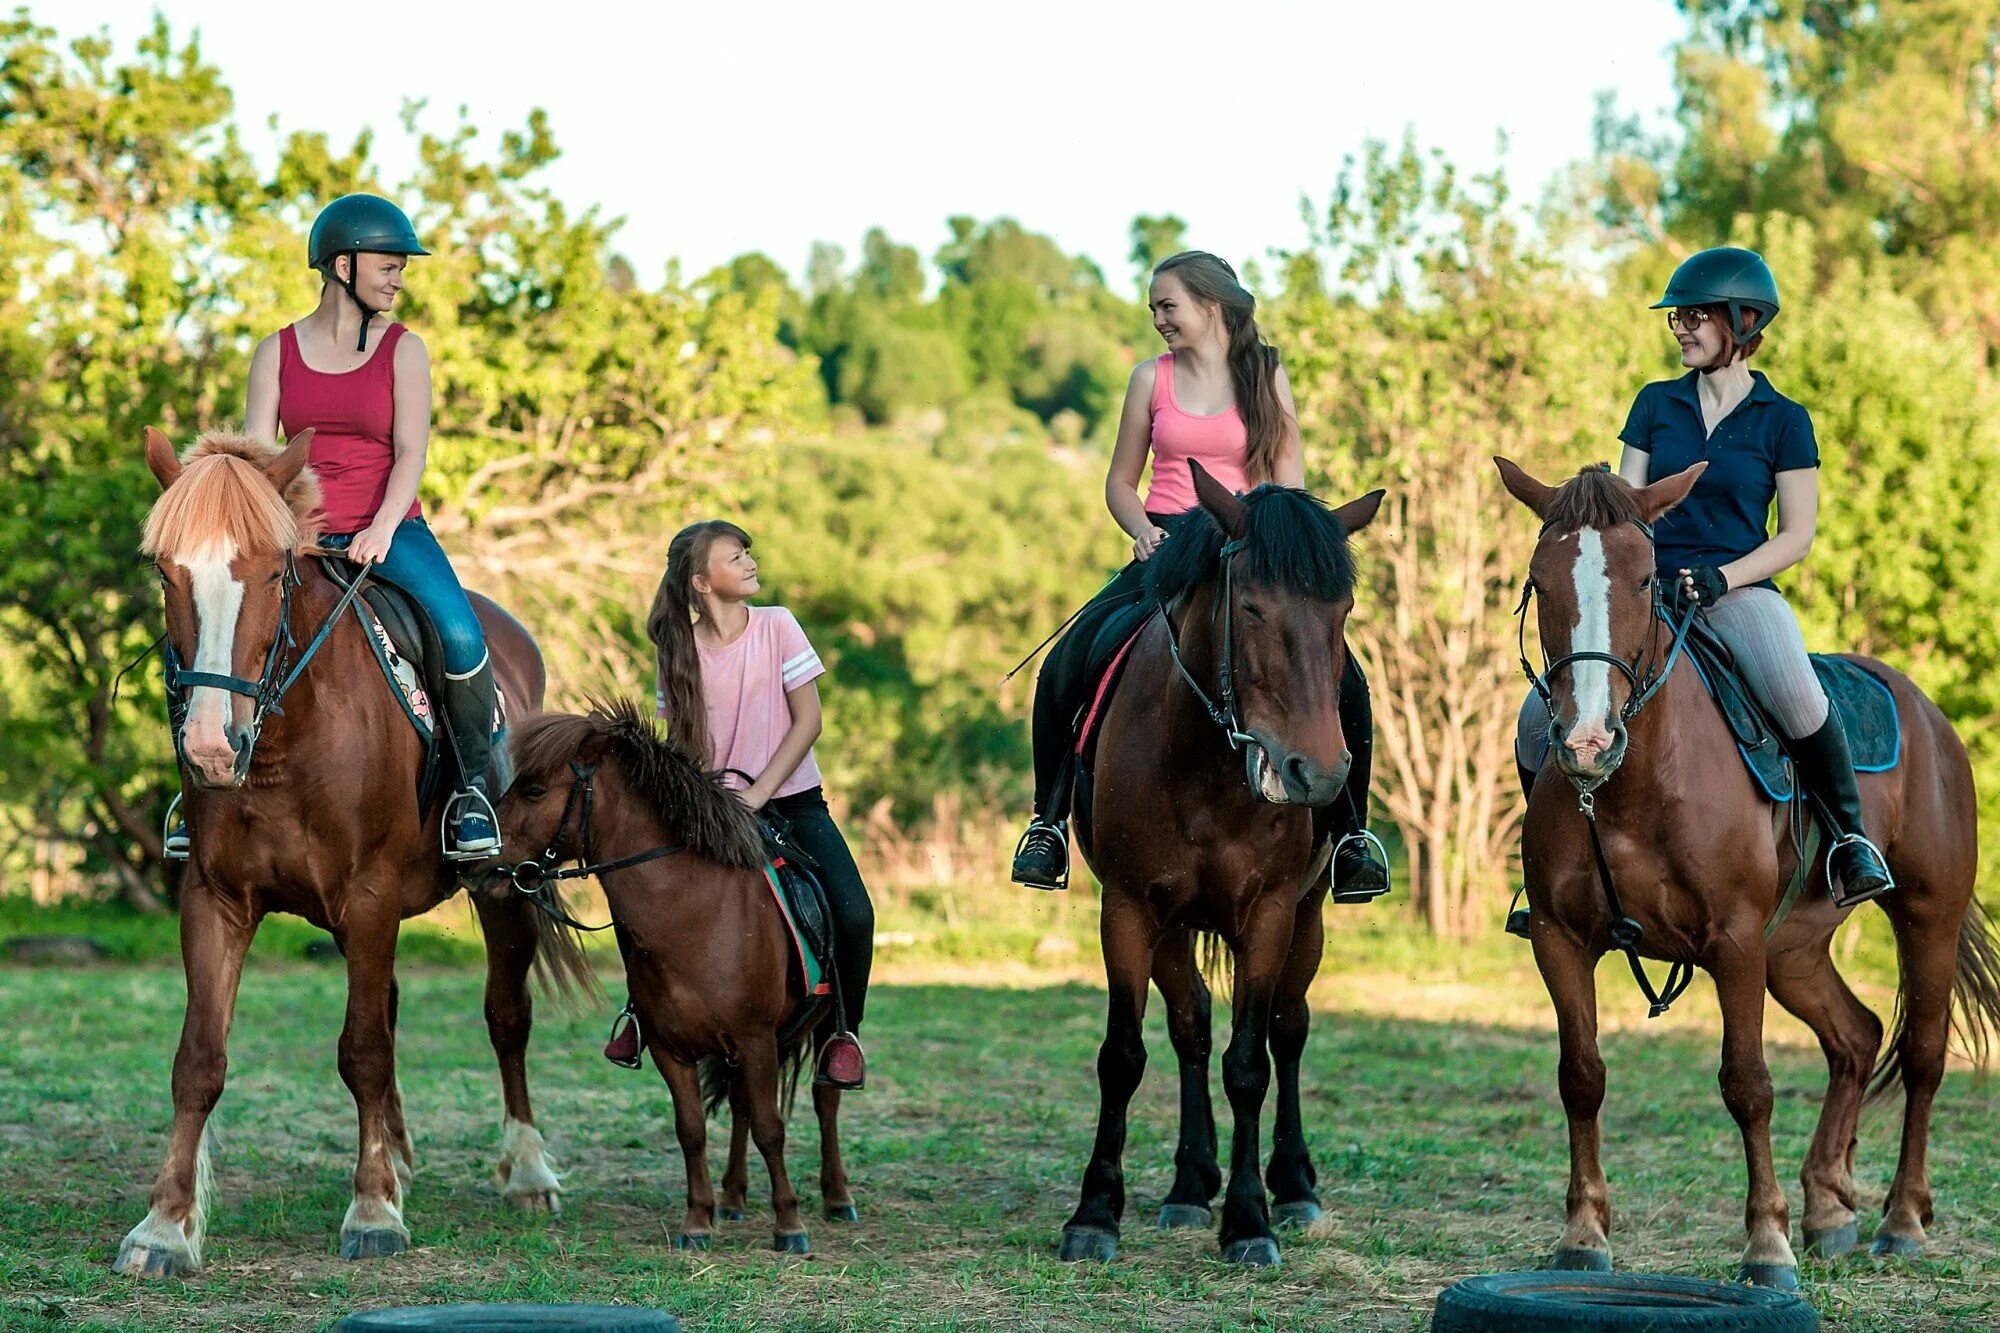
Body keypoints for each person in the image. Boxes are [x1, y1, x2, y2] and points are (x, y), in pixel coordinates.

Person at [1511, 246, 1894, 930]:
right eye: (1677, 319)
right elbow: (1625, 510)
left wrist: (1726, 575)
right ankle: (1547, 868)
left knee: (1799, 693)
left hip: (1738, 591)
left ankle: (1850, 840)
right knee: (1538, 717)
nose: (1681, 327)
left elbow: (1797, 534)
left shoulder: (1785, 419)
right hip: (1650, 590)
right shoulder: (1655, 405)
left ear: (1743, 322)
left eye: (1695, 316)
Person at [1009, 251, 1388, 901]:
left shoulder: (1266, 375)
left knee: (1344, 674)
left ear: (1211, 305)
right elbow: (1120, 481)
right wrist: (1140, 530)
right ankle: (1047, 822)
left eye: (1168, 305)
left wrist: (1280, 546)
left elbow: (1289, 481)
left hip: (1248, 545)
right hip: (1167, 547)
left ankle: (1351, 834)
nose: (1158, 319)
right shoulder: (1147, 379)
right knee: (1068, 658)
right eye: (1154, 308)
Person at [165, 193, 500, 861]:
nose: (399, 276)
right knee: (194, 636)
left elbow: (411, 452)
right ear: (342, 265)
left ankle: (471, 794)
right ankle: (194, 789)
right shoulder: (276, 351)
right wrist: (267, 533)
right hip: (296, 536)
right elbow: (257, 459)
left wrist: (378, 528)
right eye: (389, 263)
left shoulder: (405, 350)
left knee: (460, 635)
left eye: (401, 266)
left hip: (389, 529)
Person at [599, 520, 873, 1088]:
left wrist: (758, 794)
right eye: (735, 556)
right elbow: (680, 746)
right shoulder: (678, 650)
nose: (750, 562)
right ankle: (639, 1011)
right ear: (701, 581)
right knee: (642, 908)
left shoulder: (778, 626)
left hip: (792, 803)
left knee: (853, 912)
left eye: (748, 552)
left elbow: (810, 721)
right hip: (712, 813)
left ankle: (841, 1032)